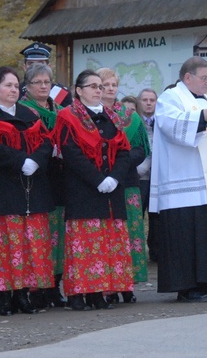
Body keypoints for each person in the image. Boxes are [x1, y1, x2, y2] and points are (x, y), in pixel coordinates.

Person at [149, 56, 207, 302]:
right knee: (188, 233)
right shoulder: (171, 97)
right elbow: (171, 126)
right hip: (184, 179)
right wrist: (204, 116)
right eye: (204, 78)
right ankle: (189, 286)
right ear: (187, 77)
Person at [0, 67, 54, 316]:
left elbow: (46, 142)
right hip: (1, 190)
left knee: (27, 244)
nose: (13, 90)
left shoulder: (29, 114)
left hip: (30, 188)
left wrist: (36, 161)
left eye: (16, 86)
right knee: (4, 246)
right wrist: (20, 161)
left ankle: (23, 295)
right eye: (8, 85)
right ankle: (4, 297)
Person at [53, 69, 133, 311]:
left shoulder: (112, 117)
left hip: (111, 191)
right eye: (93, 86)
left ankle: (100, 292)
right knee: (84, 244)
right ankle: (78, 293)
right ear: (79, 91)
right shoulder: (68, 116)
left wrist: (115, 178)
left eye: (101, 87)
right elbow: (71, 154)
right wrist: (98, 179)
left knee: (106, 243)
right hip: (84, 189)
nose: (99, 90)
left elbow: (124, 151)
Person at [97, 67, 150, 303]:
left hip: (127, 182)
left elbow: (141, 149)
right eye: (105, 85)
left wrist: (121, 161)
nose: (109, 89)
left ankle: (126, 285)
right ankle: (106, 285)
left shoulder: (130, 116)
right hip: (100, 184)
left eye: (113, 85)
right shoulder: (89, 115)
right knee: (106, 235)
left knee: (129, 234)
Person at [19, 63, 67, 309]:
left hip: (60, 177)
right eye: (37, 82)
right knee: (40, 235)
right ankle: (36, 287)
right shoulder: (23, 110)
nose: (43, 86)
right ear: (27, 87)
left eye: (47, 82)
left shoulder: (61, 110)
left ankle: (54, 285)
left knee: (58, 233)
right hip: (36, 176)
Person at [137, 88, 158, 261]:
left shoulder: (161, 122)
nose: (149, 103)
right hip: (140, 177)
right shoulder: (134, 121)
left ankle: (156, 252)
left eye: (152, 100)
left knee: (157, 217)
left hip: (158, 178)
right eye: (145, 100)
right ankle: (135, 252)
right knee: (138, 214)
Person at [20, 42, 72, 106]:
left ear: (49, 66)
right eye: (31, 63)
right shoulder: (16, 91)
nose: (36, 67)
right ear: (24, 67)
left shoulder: (61, 93)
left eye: (40, 63)